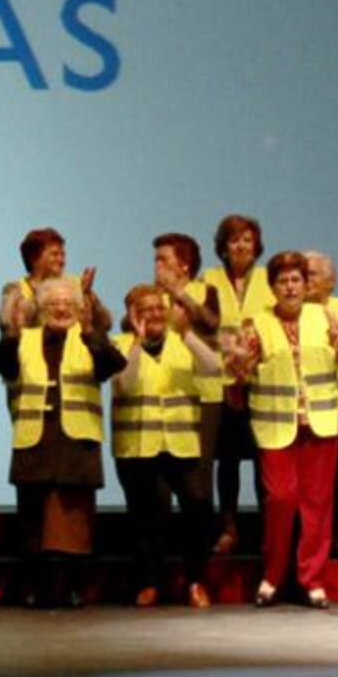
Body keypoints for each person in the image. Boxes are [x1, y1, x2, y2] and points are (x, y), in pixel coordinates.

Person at [0, 278, 126, 608]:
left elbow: (112, 365)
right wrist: (12, 334)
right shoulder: (26, 338)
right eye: (53, 304)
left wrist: (92, 332)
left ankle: (73, 588)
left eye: (69, 304)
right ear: (41, 309)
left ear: (81, 309)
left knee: (73, 526)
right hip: (35, 443)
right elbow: (0, 363)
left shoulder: (91, 339)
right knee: (34, 524)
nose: (62, 309)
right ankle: (37, 589)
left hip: (76, 445)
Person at [229, 251, 338, 609]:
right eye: (283, 281)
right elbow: (242, 373)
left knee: (317, 505)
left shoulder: (325, 317)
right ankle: (272, 575)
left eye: (297, 280)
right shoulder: (257, 324)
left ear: (305, 285)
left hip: (320, 425)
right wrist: (238, 362)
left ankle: (312, 580)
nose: (291, 287)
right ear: (273, 287)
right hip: (276, 426)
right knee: (281, 499)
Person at [111, 284, 219, 608]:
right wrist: (137, 343)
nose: (155, 314)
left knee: (198, 506)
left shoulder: (184, 342)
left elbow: (213, 367)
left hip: (181, 443)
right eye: (145, 309)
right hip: (138, 446)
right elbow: (125, 384)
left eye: (159, 307)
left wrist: (186, 333)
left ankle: (195, 579)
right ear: (132, 315)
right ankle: (149, 582)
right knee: (148, 516)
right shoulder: (121, 345)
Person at [202, 214, 274, 553]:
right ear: (223, 247)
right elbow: (204, 324)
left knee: (264, 458)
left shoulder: (267, 279)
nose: (241, 245)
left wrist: (253, 355)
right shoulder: (210, 279)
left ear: (257, 245)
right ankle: (228, 528)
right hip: (223, 381)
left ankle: (266, 528)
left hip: (260, 381)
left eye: (247, 239)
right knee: (227, 459)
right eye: (234, 240)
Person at [153, 233, 222, 501]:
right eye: (155, 260)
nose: (157, 265)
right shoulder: (150, 295)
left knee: (196, 481)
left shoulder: (205, 291)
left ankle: (202, 539)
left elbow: (210, 323)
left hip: (202, 394)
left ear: (184, 265)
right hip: (163, 393)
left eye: (163, 259)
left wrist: (179, 295)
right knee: (159, 480)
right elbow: (128, 326)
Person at [0, 227, 110, 334]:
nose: (61, 260)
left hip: (72, 353)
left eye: (63, 255)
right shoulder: (15, 289)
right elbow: (7, 324)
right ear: (34, 258)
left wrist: (88, 295)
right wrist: (43, 296)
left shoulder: (75, 284)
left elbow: (105, 324)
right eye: (54, 254)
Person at [304, 250, 338, 553]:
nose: (305, 281)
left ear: (330, 282)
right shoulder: (288, 316)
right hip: (308, 413)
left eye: (313, 274)